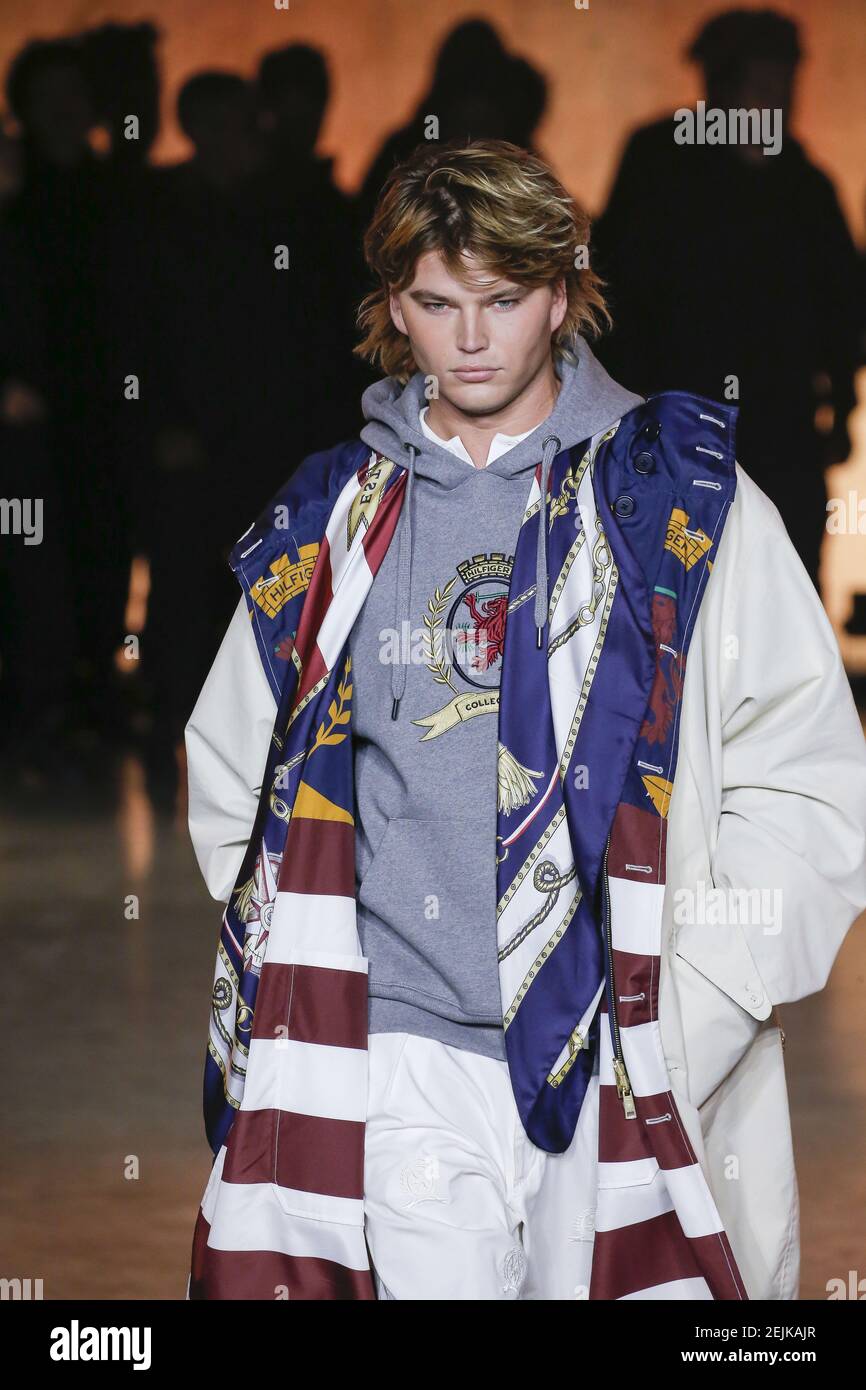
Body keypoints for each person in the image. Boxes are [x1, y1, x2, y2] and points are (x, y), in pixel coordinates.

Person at [184, 139, 866, 1301]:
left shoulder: (678, 497)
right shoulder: (331, 521)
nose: (468, 338)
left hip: (617, 1045)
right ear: (391, 306)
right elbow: (238, 780)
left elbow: (802, 770)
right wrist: (324, 990)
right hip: (401, 1058)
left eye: (501, 300)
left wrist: (695, 995)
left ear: (561, 292)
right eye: (434, 303)